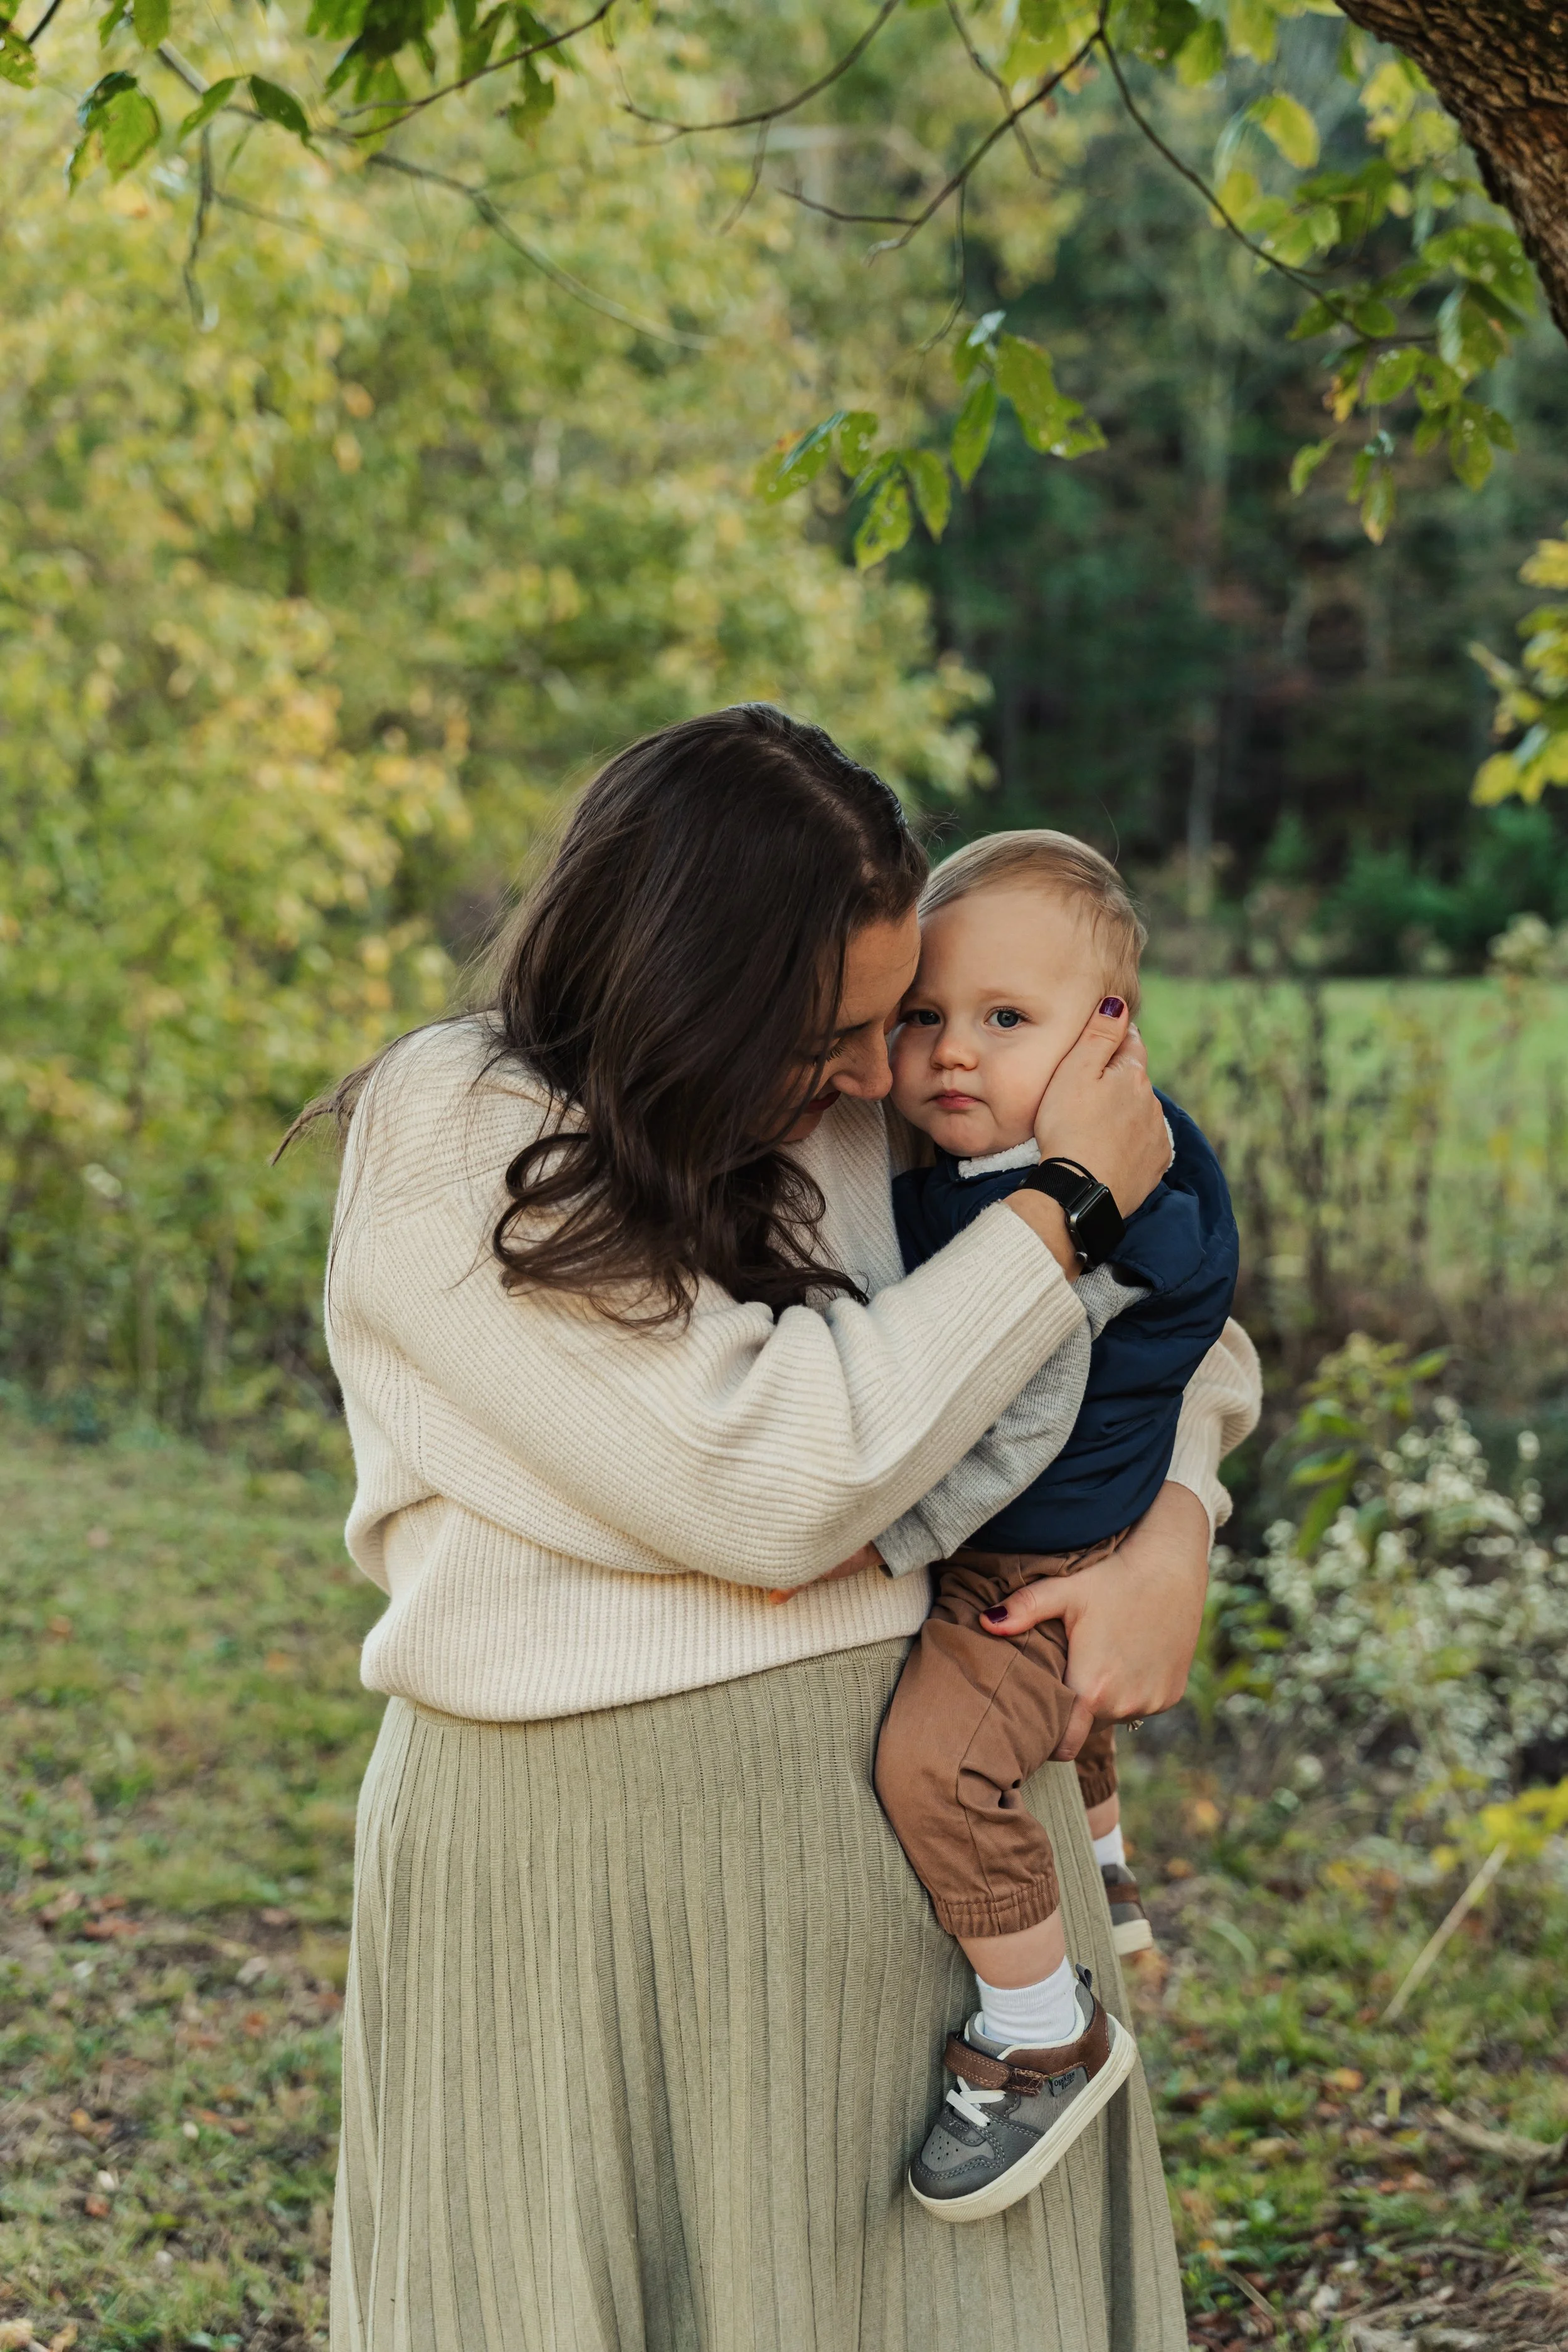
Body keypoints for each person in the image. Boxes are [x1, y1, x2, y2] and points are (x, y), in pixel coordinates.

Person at [310, 705, 1260, 2352]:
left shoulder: (874, 1084)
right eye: (828, 1026)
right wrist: (1057, 1207)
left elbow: (1167, 1310)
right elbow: (765, 1481)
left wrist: (1174, 1507)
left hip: (906, 1859)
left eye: (889, 1017)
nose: (869, 1069)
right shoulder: (452, 1125)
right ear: (688, 983)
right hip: (564, 1877)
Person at [873, 829, 1239, 2223]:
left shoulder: (1090, 1201)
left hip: (1034, 1559)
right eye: (924, 1017)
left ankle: (1038, 2026)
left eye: (1001, 1020)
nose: (950, 1055)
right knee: (1043, 1733)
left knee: (939, 1764)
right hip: (1062, 1530)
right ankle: (1094, 1853)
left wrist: (875, 1538)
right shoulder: (1008, 1154)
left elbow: (1011, 1425)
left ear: (1105, 1042)